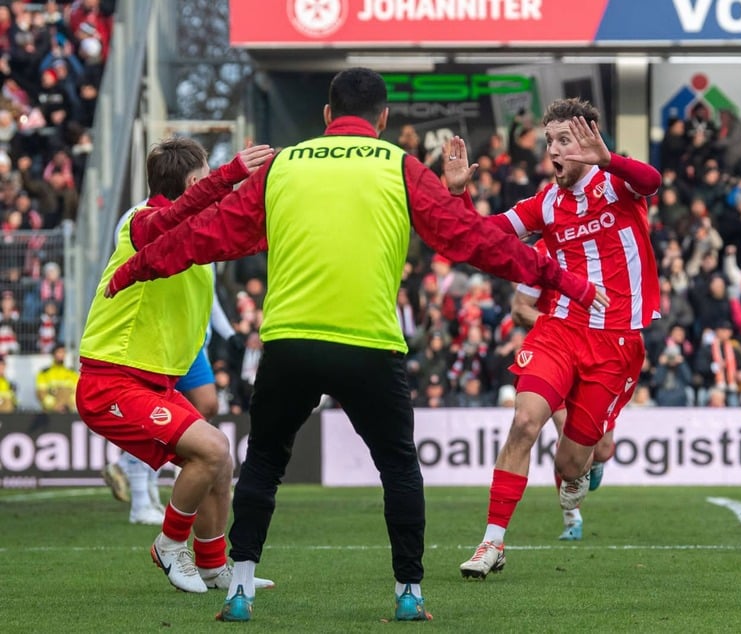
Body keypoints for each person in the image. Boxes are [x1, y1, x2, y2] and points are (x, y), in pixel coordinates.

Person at [101, 67, 604, 623]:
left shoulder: (284, 165)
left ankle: (238, 589)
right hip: (369, 344)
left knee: (264, 462)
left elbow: (207, 235)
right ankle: (409, 593)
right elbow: (473, 241)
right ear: (384, 119)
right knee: (399, 469)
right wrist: (566, 280)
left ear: (325, 116)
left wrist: (136, 270)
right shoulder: (400, 166)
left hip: (290, 342)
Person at [443, 98, 660, 578]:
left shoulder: (618, 183)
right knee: (524, 423)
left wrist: (608, 158)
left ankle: (587, 463)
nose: (555, 151)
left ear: (589, 141)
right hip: (559, 329)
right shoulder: (544, 203)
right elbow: (478, 238)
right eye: (550, 142)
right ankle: (491, 543)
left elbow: (652, 181)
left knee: (575, 458)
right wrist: (459, 195)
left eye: (565, 140)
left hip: (617, 340)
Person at [76, 138, 276, 595]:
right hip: (113, 379)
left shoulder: (195, 227)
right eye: (208, 174)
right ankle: (169, 544)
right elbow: (169, 220)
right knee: (210, 449)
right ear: (193, 182)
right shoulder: (138, 221)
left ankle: (211, 565)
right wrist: (230, 176)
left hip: (155, 379)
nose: (215, 179)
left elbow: (242, 233)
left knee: (219, 459)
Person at [103, 201, 246, 526]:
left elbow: (204, 287)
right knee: (155, 414)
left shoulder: (203, 216)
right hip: (160, 336)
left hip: (194, 340)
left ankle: (131, 467)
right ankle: (143, 499)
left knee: (206, 405)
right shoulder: (138, 217)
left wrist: (226, 332)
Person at [509, 238, 617, 542]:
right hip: (555, 357)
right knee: (564, 432)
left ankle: (595, 460)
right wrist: (559, 325)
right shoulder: (542, 254)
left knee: (602, 447)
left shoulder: (603, 247)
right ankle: (572, 517)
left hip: (598, 357)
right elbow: (520, 310)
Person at [35, 344, 79, 413]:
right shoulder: (44, 373)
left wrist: (69, 404)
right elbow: (41, 393)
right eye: (59, 352)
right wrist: (55, 406)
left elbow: (76, 393)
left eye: (63, 352)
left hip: (68, 411)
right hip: (50, 413)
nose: (61, 355)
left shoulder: (72, 373)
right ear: (53, 354)